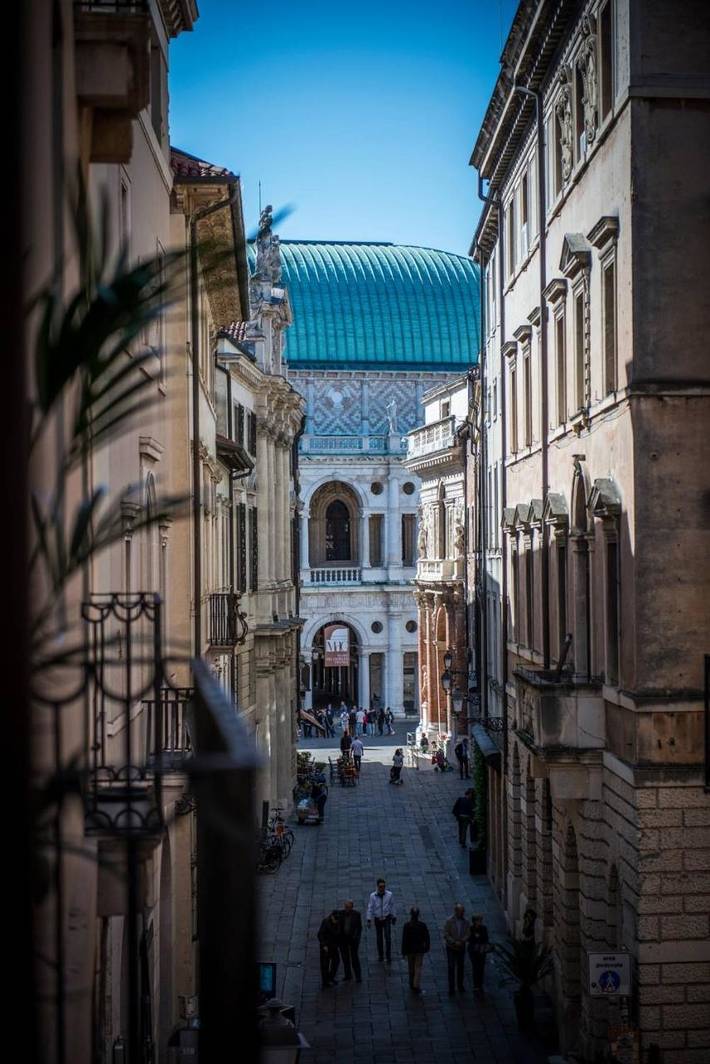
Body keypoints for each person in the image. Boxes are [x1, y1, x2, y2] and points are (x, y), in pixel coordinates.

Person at [401, 907, 430, 994]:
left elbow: (404, 939)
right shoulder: (422, 925)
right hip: (419, 950)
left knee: (411, 967)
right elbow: (426, 938)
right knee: (418, 968)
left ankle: (411, 982)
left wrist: (404, 951)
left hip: (410, 950)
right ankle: (415, 984)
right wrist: (426, 947)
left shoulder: (407, 925)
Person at [366, 878, 396, 963]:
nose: (382, 888)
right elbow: (370, 907)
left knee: (388, 938)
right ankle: (381, 955)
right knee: (379, 938)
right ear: (377, 886)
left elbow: (392, 905)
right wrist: (368, 919)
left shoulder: (389, 894)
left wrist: (394, 916)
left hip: (386, 918)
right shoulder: (373, 896)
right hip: (378, 919)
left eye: (383, 886)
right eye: (380, 886)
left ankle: (388, 956)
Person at [444, 903, 470, 995]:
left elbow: (468, 933)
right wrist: (454, 942)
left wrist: (462, 941)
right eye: (461, 911)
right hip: (451, 947)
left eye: (463, 911)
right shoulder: (449, 921)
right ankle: (451, 988)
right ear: (456, 911)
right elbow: (446, 934)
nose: (462, 913)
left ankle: (460, 985)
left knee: (461, 967)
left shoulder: (466, 922)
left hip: (461, 947)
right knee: (451, 967)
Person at [338, 900, 363, 983]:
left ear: (352, 907)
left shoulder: (356, 914)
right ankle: (348, 975)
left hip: (353, 940)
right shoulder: (340, 914)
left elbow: (359, 928)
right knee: (345, 959)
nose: (347, 909)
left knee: (354, 958)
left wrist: (356, 938)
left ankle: (358, 976)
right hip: (343, 940)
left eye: (348, 907)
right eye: (346, 907)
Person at [318, 911, 341, 988]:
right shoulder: (325, 922)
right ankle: (325, 982)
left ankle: (330, 978)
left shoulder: (338, 922)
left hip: (334, 946)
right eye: (335, 920)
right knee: (325, 965)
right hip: (326, 948)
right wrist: (324, 945)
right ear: (332, 917)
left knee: (336, 962)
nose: (336, 922)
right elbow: (320, 934)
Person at [467, 914, 490, 994]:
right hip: (473, 951)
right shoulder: (471, 929)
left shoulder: (484, 928)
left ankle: (480, 984)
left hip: (481, 950)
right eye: (478, 920)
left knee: (481, 968)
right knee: (475, 967)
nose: (480, 922)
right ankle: (476, 985)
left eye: (480, 920)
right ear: (474, 921)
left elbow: (486, 939)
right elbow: (469, 939)